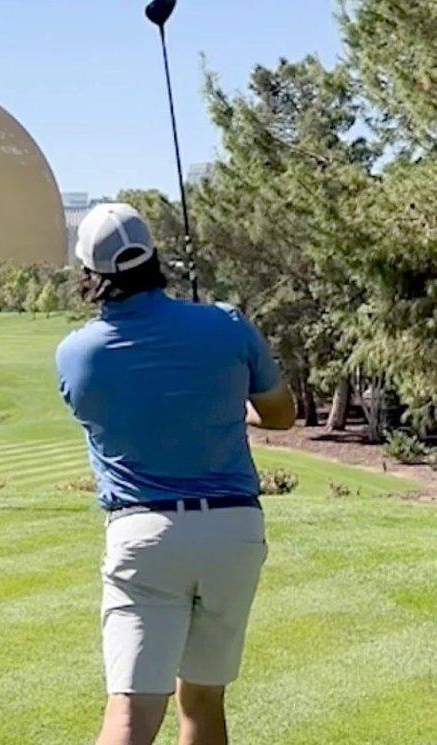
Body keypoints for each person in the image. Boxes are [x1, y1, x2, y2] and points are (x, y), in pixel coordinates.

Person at [56, 204, 295, 745]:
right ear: (156, 258)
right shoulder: (226, 324)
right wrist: (233, 404)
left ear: (89, 277)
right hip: (232, 532)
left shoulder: (76, 355)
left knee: (131, 710)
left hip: (143, 534)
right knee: (204, 699)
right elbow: (280, 414)